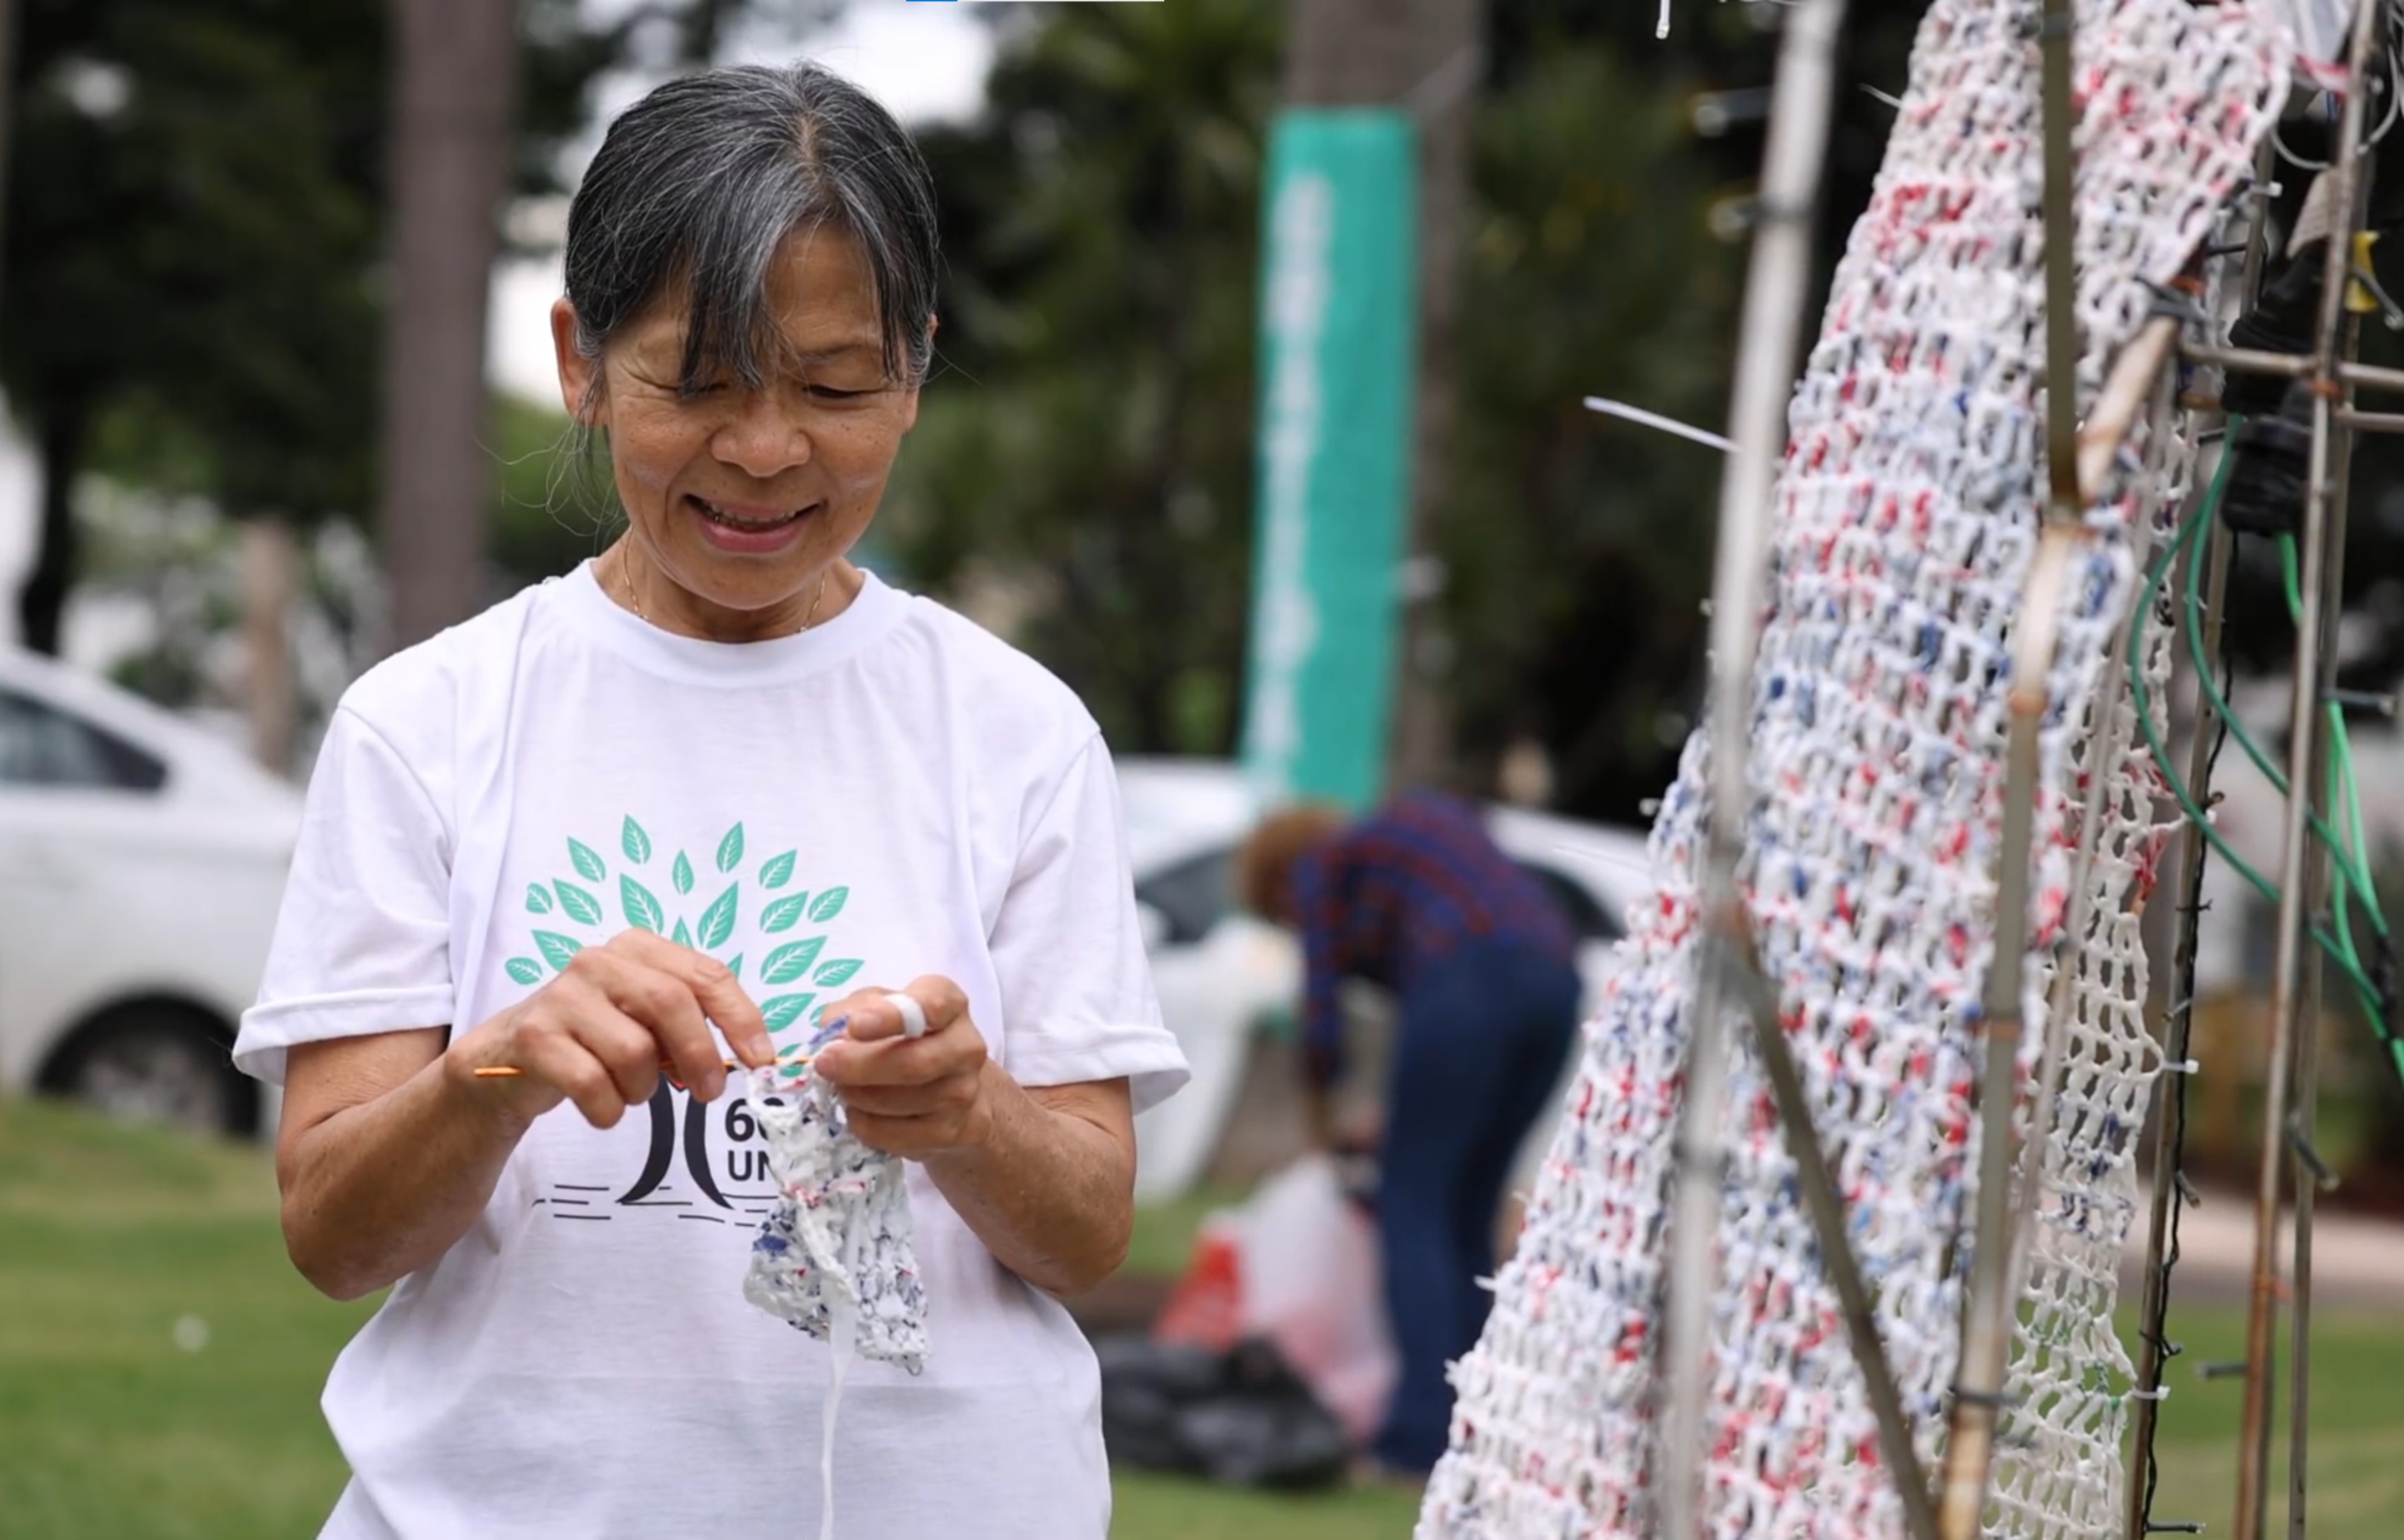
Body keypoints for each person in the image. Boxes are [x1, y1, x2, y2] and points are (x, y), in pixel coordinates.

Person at [237, 64, 1188, 1540]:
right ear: (582, 361)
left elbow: (1087, 1231)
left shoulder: (1016, 734)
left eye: (834, 386)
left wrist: (969, 1114)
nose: (764, 449)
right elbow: (333, 1233)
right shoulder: (428, 725)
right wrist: (501, 1068)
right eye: (698, 383)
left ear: (914, 373)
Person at [1236, 790, 1582, 1479]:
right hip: (1557, 984)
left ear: (1278, 882)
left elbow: (1323, 1017)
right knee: (1467, 1213)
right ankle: (1483, 1425)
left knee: (1412, 1208)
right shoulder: (1412, 832)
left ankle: (1418, 1440)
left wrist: (1320, 1121)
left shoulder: (1319, 867)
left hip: (1469, 986)